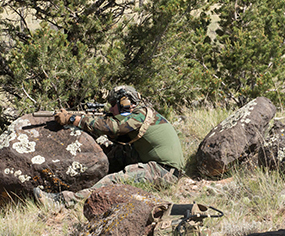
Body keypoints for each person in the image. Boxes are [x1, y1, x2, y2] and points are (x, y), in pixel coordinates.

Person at [34, 85, 184, 207]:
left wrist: (75, 119)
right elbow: (116, 134)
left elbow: (113, 127)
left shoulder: (140, 115)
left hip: (164, 171)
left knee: (114, 181)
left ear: (124, 102)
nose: (111, 109)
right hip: (159, 166)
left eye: (113, 105)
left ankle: (66, 202)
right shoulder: (141, 114)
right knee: (112, 152)